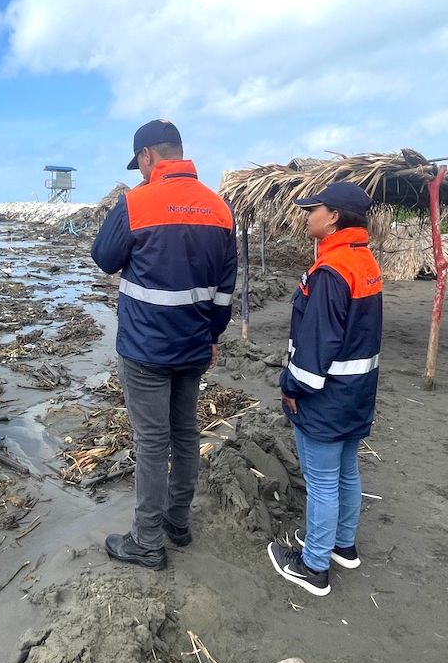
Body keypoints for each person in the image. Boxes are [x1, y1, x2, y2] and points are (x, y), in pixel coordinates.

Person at [91, 119, 237, 570]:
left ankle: (148, 540)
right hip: (194, 345)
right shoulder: (220, 208)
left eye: (139, 163)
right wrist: (211, 336)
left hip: (146, 349)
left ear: (149, 156)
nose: (138, 171)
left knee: (152, 441)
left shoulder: (135, 203)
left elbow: (103, 259)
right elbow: (225, 290)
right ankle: (178, 521)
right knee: (186, 432)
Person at [267, 181, 383, 596]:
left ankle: (314, 566)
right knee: (346, 471)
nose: (306, 215)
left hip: (328, 394)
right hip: (358, 391)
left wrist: (292, 386)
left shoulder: (332, 271)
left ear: (332, 216)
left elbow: (318, 342)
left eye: (312, 209)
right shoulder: (363, 260)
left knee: (321, 481)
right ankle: (342, 545)